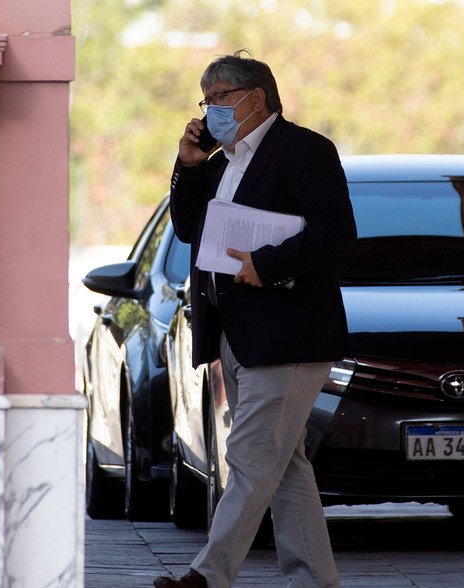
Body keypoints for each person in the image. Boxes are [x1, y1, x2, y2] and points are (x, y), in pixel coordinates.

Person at [154, 51, 355, 588]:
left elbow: (335, 233)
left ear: (256, 98)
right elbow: (190, 227)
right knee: (284, 465)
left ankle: (207, 576)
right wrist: (188, 165)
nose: (210, 110)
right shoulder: (220, 162)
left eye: (219, 97)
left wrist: (265, 265)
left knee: (248, 457)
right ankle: (316, 580)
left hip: (288, 334)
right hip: (236, 333)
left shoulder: (305, 151)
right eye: (206, 101)